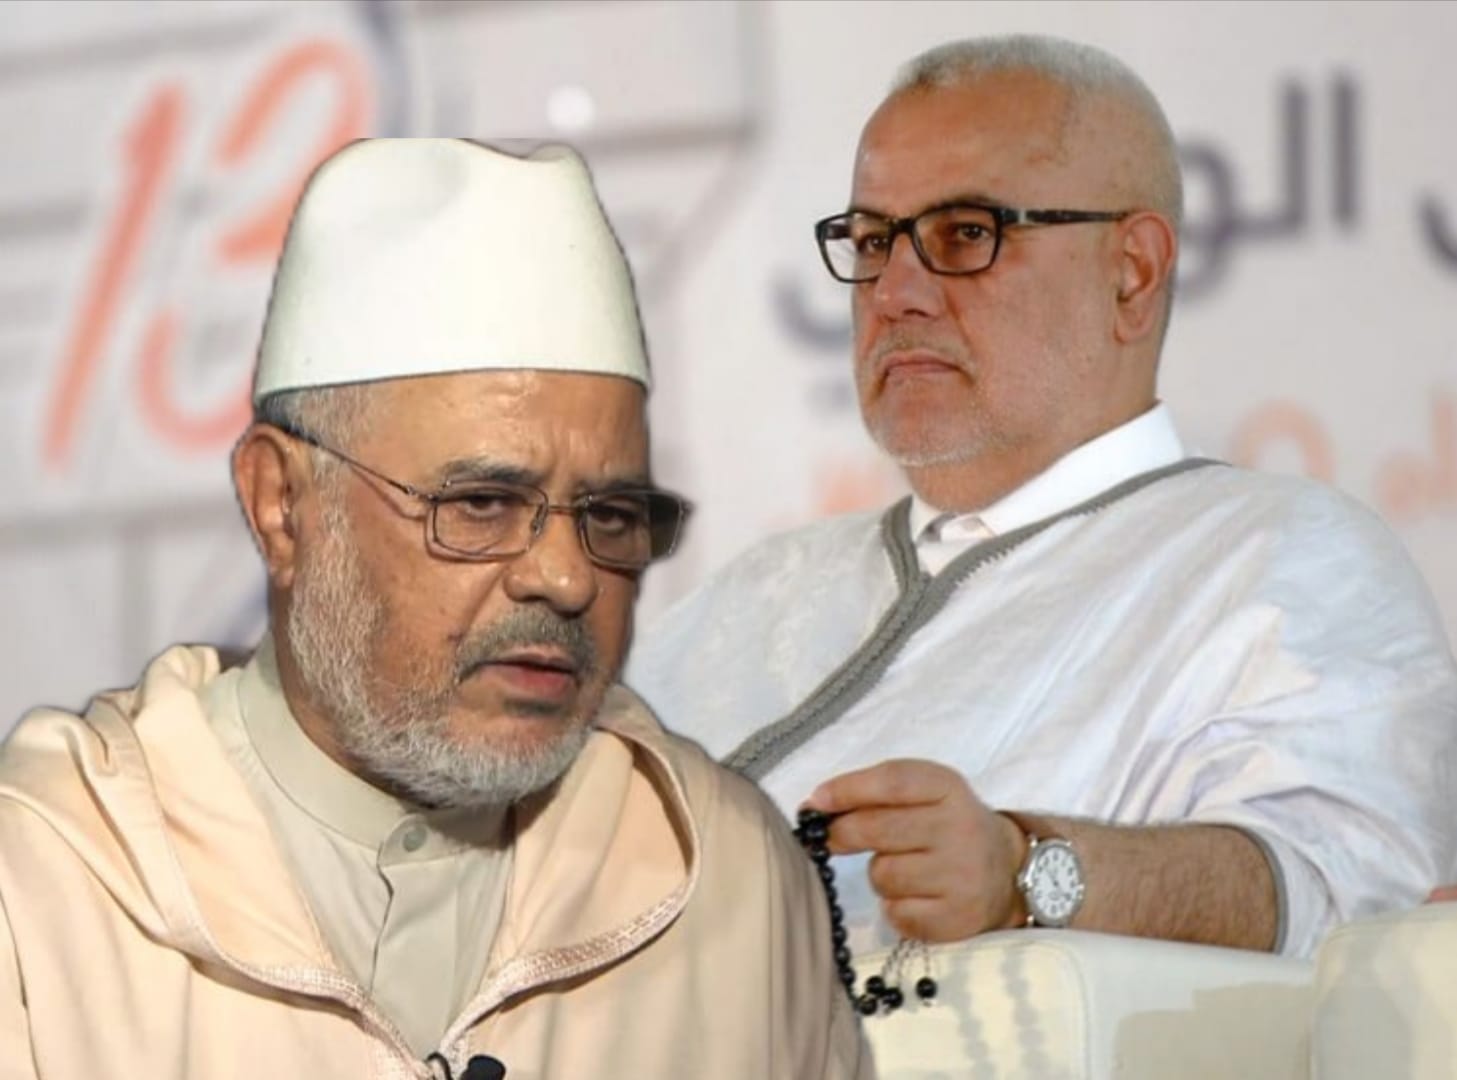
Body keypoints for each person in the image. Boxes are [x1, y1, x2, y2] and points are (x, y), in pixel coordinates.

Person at [0, 139, 870, 1079]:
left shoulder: (731, 880)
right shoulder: (42, 892)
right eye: (481, 504)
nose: (566, 580)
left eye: (609, 516)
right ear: (281, 504)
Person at [627, 35, 1457, 963]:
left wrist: (1027, 872)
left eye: (964, 234)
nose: (895, 292)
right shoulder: (748, 597)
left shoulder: (1285, 561)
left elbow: (1349, 894)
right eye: (872, 242)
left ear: (1131, 271)